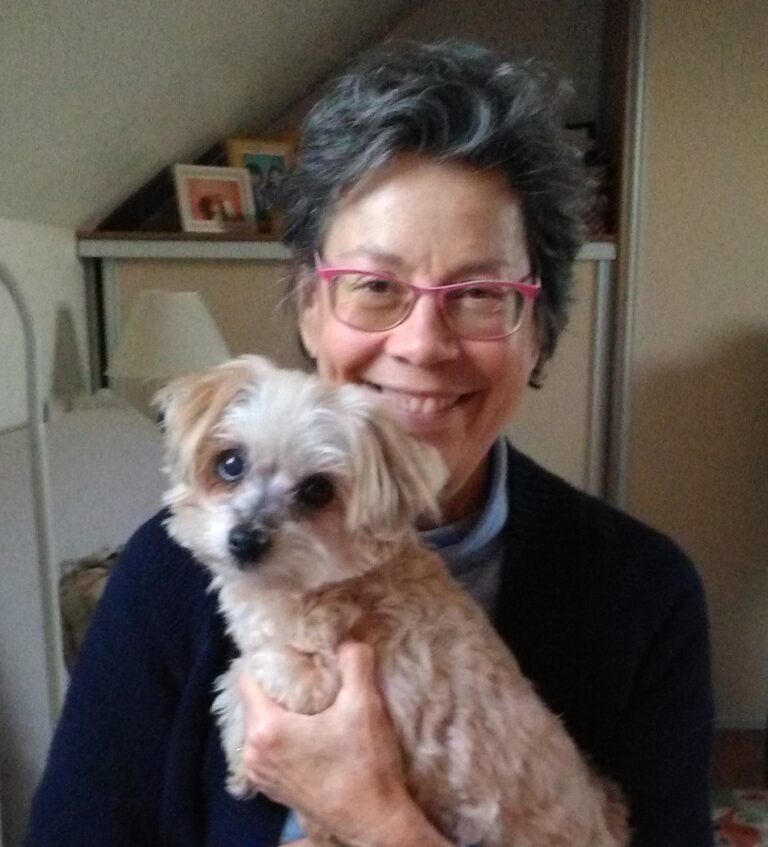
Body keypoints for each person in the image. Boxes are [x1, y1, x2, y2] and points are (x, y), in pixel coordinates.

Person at [26, 41, 714, 847]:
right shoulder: (167, 577)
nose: (422, 344)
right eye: (376, 286)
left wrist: (379, 819)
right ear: (311, 309)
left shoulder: (643, 596)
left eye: (481, 293)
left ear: (538, 331)